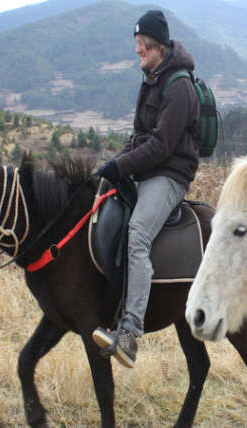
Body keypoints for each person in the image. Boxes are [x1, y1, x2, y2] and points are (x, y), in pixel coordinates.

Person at [91, 10, 200, 369]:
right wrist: (109, 168)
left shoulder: (179, 85)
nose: (137, 52)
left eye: (141, 46)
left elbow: (160, 147)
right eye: (137, 45)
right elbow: (139, 138)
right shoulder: (152, 78)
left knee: (137, 234)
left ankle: (130, 333)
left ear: (157, 46)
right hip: (148, 169)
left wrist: (122, 166)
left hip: (169, 175)